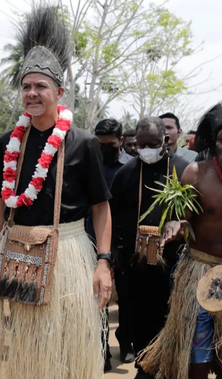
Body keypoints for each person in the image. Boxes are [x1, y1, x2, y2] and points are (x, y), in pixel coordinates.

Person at [0, 5, 112, 379]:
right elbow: (2, 202)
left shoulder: (82, 143)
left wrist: (103, 262)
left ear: (60, 91)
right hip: (16, 252)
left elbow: (101, 207)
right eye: (26, 86)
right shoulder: (9, 142)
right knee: (16, 349)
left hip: (68, 254)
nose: (32, 93)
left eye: (40, 86)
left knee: (64, 349)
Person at [140, 101, 222, 379]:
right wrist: (174, 226)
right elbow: (182, 220)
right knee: (196, 357)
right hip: (200, 274)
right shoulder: (196, 174)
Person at [110, 116, 188, 379]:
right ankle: (144, 366)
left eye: (153, 144)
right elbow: (114, 216)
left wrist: (180, 226)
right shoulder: (126, 173)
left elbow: (194, 216)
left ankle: (166, 369)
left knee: (168, 319)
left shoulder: (183, 170)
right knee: (138, 318)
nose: (147, 150)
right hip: (136, 265)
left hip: (173, 264)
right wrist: (115, 254)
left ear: (164, 140)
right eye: (142, 145)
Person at [90, 118, 134, 371]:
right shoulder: (89, 163)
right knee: (99, 299)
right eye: (99, 144)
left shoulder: (130, 167)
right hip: (94, 243)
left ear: (121, 142)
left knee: (126, 300)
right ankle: (102, 350)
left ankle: (125, 343)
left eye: (109, 144)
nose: (104, 148)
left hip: (124, 244)